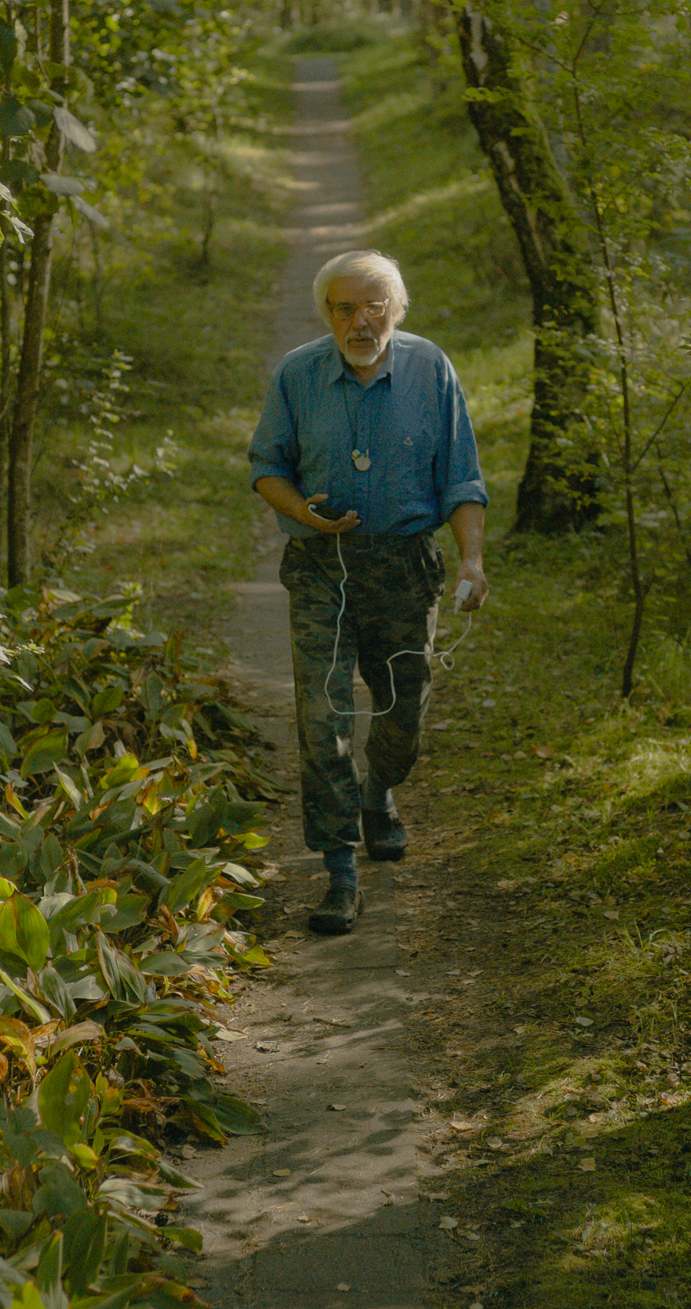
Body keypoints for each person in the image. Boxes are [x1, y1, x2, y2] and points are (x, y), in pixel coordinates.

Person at [247, 249, 489, 937]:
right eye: (344, 307)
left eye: (374, 305)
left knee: (400, 715)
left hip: (407, 569)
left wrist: (471, 559)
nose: (361, 320)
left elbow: (462, 478)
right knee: (322, 719)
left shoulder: (430, 369)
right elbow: (268, 466)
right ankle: (339, 871)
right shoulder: (299, 375)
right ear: (326, 314)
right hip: (322, 568)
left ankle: (378, 791)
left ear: (397, 309)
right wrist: (301, 514)